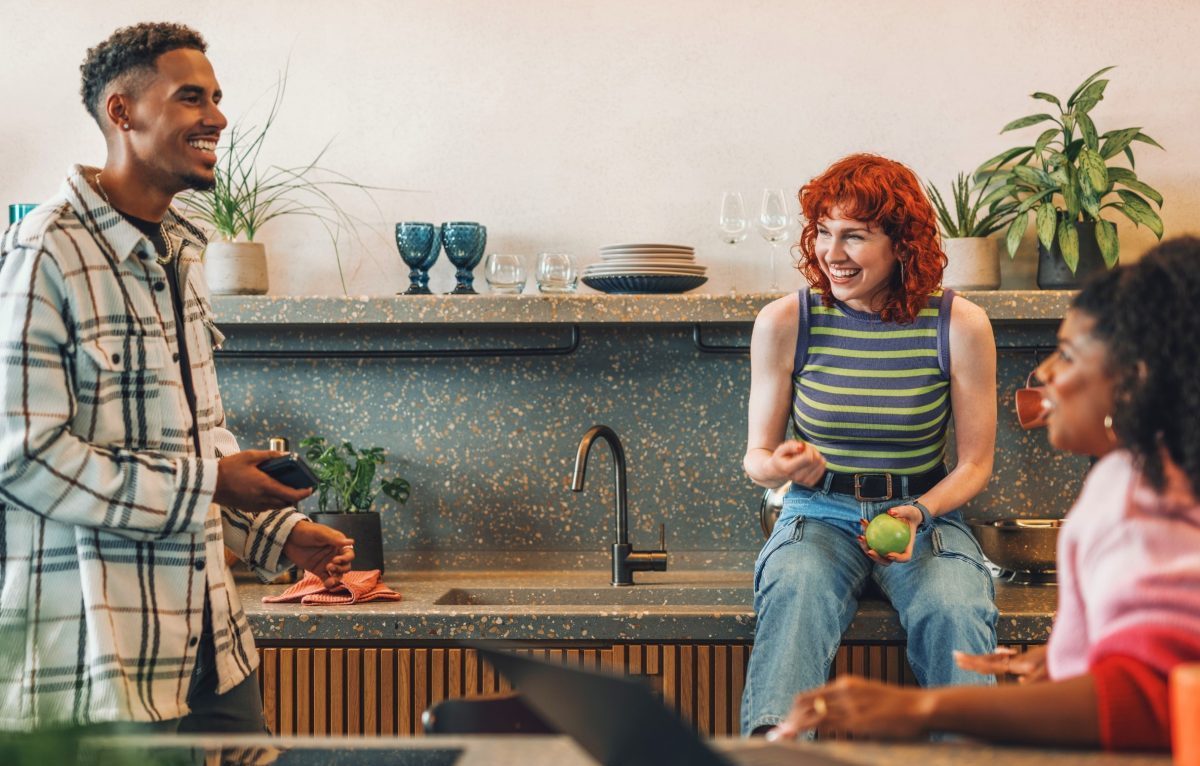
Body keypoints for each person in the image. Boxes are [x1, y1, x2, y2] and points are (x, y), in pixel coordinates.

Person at [0, 22, 356, 732]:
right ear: (122, 113)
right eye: (191, 98)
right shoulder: (48, 252)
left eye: (217, 98)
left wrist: (276, 530)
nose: (217, 118)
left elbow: (196, 438)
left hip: (215, 652)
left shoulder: (177, 254)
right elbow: (24, 458)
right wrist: (212, 485)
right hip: (99, 672)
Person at [770, 237, 1200, 752]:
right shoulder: (1131, 475)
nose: (1043, 375)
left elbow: (1153, 698)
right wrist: (1070, 658)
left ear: (1135, 380)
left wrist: (921, 707)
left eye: (1067, 354)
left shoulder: (1146, 502)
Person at [741, 154, 999, 735]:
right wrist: (782, 464)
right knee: (797, 594)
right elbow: (757, 457)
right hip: (818, 514)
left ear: (901, 244)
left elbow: (975, 461)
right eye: (823, 233)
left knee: (955, 608)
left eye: (854, 236)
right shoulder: (787, 321)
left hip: (924, 514)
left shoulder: (958, 324)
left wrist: (921, 511)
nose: (832, 253)